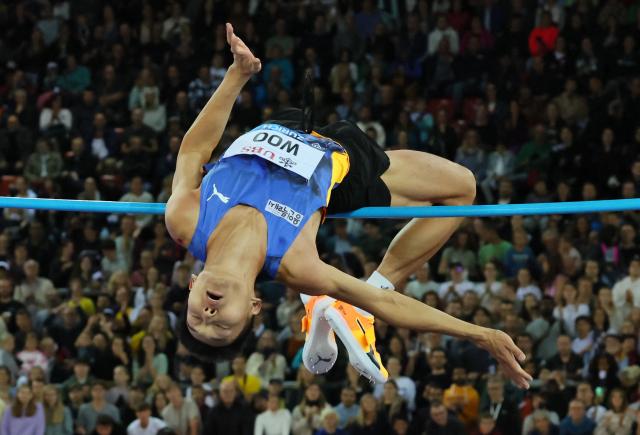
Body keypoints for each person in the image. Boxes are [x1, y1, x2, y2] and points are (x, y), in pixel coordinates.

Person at [166, 23, 530, 389]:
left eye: (197, 318)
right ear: (253, 306)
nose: (210, 314)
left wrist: (237, 75)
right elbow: (387, 306)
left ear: (192, 286)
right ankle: (364, 303)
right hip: (344, 164)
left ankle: (342, 312)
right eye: (222, 325)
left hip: (287, 121)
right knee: (461, 188)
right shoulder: (296, 263)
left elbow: (194, 150)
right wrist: (481, 335)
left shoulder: (184, 219)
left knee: (457, 188)